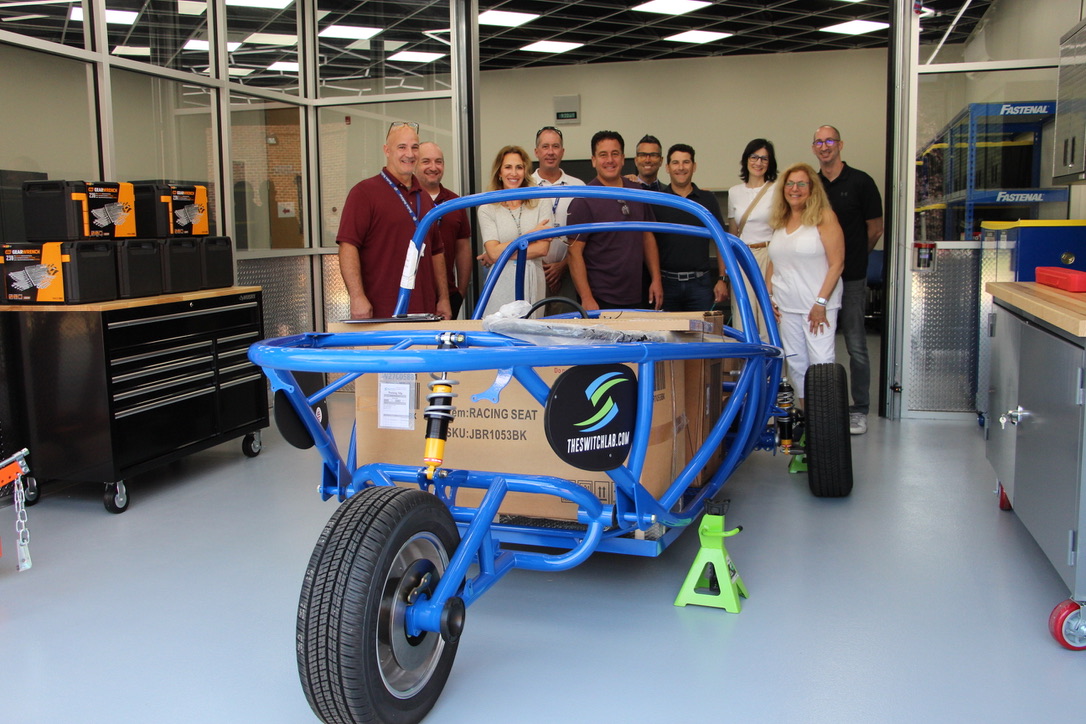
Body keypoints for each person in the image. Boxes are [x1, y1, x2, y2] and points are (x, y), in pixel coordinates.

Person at [337, 121, 451, 320]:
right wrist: (357, 297)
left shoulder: (424, 197)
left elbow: (436, 252)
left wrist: (443, 298)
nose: (409, 154)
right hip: (381, 311)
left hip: (424, 311)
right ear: (387, 150)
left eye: (414, 147)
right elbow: (348, 246)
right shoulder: (364, 193)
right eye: (402, 147)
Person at [813, 125, 884, 435]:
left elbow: (875, 228)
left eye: (829, 140)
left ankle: (859, 408)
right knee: (819, 343)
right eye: (819, 142)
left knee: (856, 344)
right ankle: (822, 405)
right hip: (818, 279)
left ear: (840, 144)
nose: (824, 146)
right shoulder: (812, 185)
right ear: (813, 148)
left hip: (852, 276)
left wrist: (849, 257)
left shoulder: (861, 182)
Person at [765, 162, 844, 406]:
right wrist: (769, 297)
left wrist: (820, 303)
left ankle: (825, 420)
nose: (795, 189)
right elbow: (774, 262)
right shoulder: (781, 219)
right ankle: (808, 418)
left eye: (801, 184)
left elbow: (837, 264)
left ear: (812, 188)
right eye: (790, 184)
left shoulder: (824, 217)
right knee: (797, 365)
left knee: (821, 365)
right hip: (787, 308)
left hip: (817, 308)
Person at [566, 130, 663, 311]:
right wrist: (586, 298)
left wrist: (656, 279)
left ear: (623, 158)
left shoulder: (637, 192)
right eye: (603, 155)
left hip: (638, 294)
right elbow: (574, 254)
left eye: (615, 154)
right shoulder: (583, 200)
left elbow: (647, 237)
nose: (610, 160)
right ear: (594, 160)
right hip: (600, 298)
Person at [478, 145, 553, 317]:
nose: (514, 173)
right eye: (508, 167)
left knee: (532, 331)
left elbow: (542, 249)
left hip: (533, 278)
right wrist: (531, 235)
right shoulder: (487, 208)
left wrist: (502, 251)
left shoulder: (542, 201)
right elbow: (493, 254)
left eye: (519, 167)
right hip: (500, 281)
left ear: (525, 171)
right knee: (498, 330)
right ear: (499, 172)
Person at [651, 143, 727, 312]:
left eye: (686, 162)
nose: (681, 168)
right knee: (667, 330)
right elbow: (650, 244)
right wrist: (655, 280)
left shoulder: (708, 199)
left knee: (703, 329)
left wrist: (723, 279)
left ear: (694, 166)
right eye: (675, 163)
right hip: (667, 285)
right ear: (667, 168)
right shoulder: (658, 200)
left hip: (700, 285)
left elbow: (721, 241)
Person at [727, 139, 779, 339]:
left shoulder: (777, 190)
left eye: (764, 158)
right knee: (744, 315)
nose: (758, 162)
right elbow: (733, 232)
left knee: (768, 315)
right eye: (754, 157)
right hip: (743, 257)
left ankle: (771, 359)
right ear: (746, 159)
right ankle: (746, 358)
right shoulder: (734, 192)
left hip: (769, 256)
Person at [531, 126, 586, 312]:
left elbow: (584, 235)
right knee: (532, 322)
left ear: (562, 151)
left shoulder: (579, 186)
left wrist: (563, 265)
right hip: (534, 269)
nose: (550, 152)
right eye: (545, 146)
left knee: (567, 323)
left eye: (555, 146)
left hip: (568, 272)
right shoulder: (525, 185)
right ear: (536, 152)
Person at [418, 141, 472, 318]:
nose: (433, 167)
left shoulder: (455, 203)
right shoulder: (407, 200)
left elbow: (463, 250)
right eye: (426, 161)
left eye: (438, 162)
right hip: (413, 296)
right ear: (415, 164)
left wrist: (460, 293)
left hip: (447, 297)